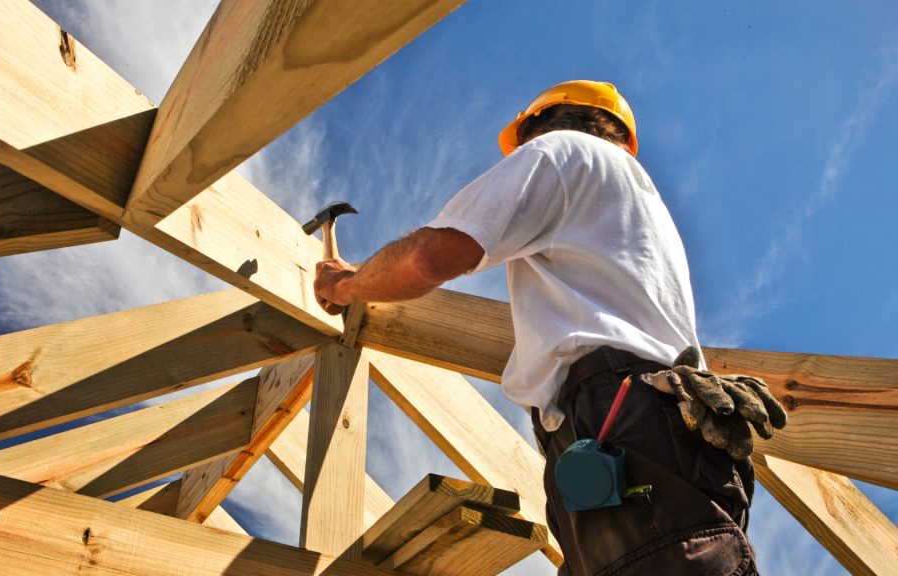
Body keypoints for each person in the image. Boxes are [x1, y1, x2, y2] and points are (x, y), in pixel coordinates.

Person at [314, 80, 760, 575]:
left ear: (537, 127)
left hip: (617, 418)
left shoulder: (561, 152)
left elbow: (428, 258)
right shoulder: (637, 206)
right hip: (666, 434)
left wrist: (346, 286)